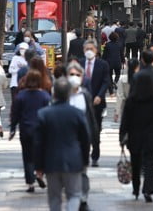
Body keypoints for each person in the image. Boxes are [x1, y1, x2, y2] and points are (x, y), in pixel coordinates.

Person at [34, 78, 90, 211]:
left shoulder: (43, 114)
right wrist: (85, 160)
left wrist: (39, 167)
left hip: (51, 162)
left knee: (54, 197)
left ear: (54, 94)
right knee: (74, 195)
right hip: (73, 161)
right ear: (69, 94)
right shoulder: (77, 114)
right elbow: (85, 139)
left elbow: (38, 143)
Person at [119, 74, 153, 203]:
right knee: (150, 164)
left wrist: (122, 135)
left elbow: (125, 121)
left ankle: (136, 188)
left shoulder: (131, 100)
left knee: (136, 163)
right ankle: (148, 189)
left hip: (135, 136)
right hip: (151, 136)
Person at [9, 70, 50, 193]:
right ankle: (40, 174)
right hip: (41, 130)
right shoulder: (45, 96)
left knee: (27, 156)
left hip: (25, 129)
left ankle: (30, 183)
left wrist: (12, 129)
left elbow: (15, 114)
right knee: (41, 154)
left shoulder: (21, 96)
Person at [66, 62, 99, 211]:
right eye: (71, 74)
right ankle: (72, 194)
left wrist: (94, 137)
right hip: (66, 140)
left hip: (82, 139)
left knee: (82, 170)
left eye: (77, 75)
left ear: (82, 77)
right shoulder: (61, 94)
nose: (74, 78)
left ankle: (83, 198)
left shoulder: (85, 94)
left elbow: (90, 117)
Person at [80, 40, 110, 167]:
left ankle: (95, 155)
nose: (89, 51)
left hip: (98, 102)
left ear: (96, 50)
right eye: (87, 49)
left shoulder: (102, 64)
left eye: (91, 49)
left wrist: (99, 95)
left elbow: (106, 81)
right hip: (82, 102)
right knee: (83, 129)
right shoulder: (80, 63)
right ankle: (84, 154)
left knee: (96, 129)